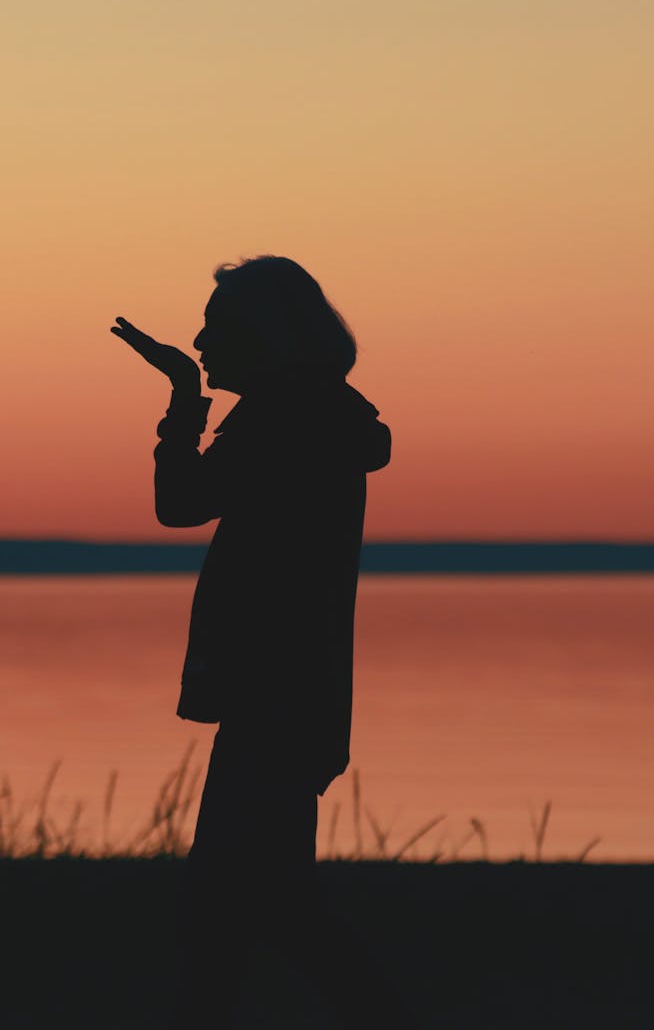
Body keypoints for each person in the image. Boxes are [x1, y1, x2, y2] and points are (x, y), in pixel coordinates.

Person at [110, 256, 405, 1028]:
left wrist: (182, 401)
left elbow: (180, 504)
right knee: (245, 905)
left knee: (245, 904)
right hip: (289, 695)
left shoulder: (287, 416)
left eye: (218, 325)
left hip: (274, 696)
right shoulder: (319, 412)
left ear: (264, 334)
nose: (203, 339)